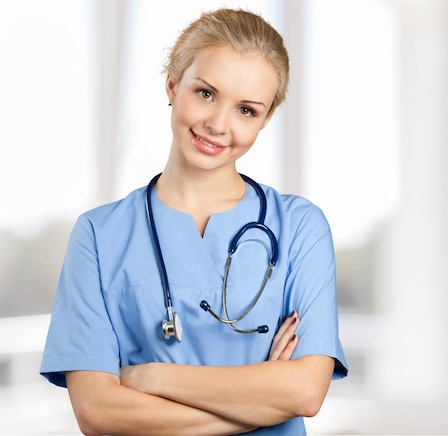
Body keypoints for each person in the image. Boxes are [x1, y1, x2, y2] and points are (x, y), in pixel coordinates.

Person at [40, 7, 348, 435]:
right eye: (205, 93)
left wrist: (153, 377)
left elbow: (304, 394)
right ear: (172, 83)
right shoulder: (98, 235)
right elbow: (96, 411)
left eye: (246, 110)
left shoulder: (300, 228)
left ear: (266, 119)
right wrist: (261, 401)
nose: (218, 124)